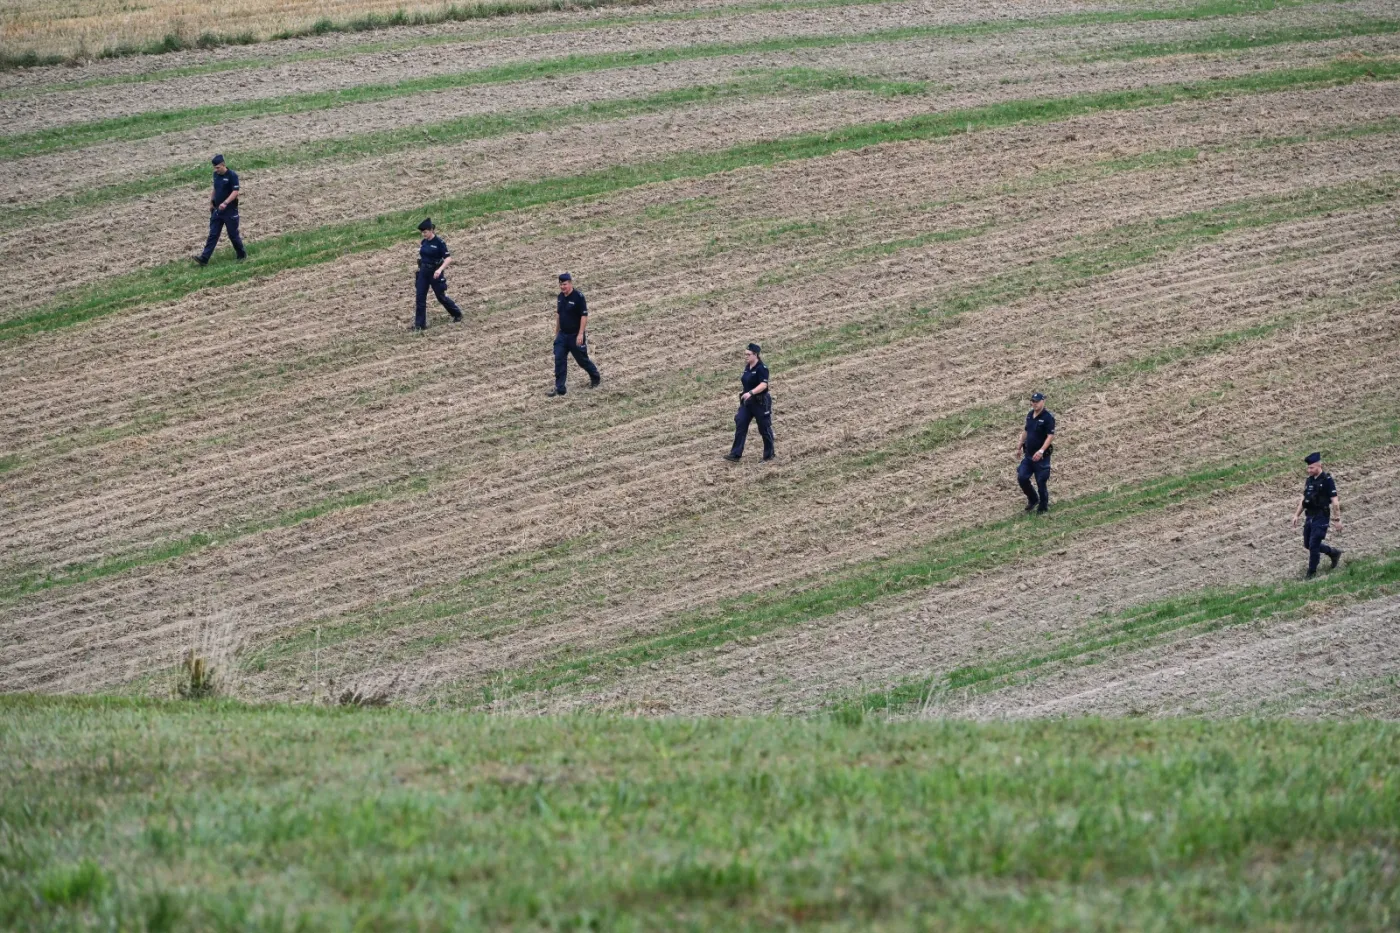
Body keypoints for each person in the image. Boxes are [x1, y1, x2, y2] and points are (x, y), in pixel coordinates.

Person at [548, 272, 600, 396]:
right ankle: (560, 388)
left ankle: (595, 377)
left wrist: (580, 334)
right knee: (559, 359)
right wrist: (556, 334)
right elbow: (559, 316)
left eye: (564, 284)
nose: (562, 287)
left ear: (570, 283)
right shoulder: (560, 297)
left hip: (575, 335)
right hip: (563, 335)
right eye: (560, 285)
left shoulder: (578, 297)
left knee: (582, 360)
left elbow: (584, 315)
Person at [1292, 452, 1342, 578]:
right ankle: (1333, 553)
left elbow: (1335, 502)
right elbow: (1304, 499)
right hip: (1309, 516)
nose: (1308, 470)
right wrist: (1296, 515)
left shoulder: (1327, 480)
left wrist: (1337, 519)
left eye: (1311, 467)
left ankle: (1311, 573)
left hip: (1321, 516)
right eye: (1308, 468)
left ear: (1319, 466)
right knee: (1307, 544)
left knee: (1314, 544)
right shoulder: (1309, 480)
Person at [724, 343, 775, 462]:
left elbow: (763, 385)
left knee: (764, 428)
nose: (746, 356)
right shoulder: (748, 367)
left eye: (748, 354)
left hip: (760, 402)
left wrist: (751, 393)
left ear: (755, 355)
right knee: (740, 422)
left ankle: (769, 455)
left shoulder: (762, 368)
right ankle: (735, 454)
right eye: (745, 354)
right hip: (747, 403)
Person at [194, 154, 246, 265]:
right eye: (215, 168)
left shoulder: (232, 175)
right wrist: (211, 202)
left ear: (223, 165)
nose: (216, 170)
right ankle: (204, 258)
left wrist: (225, 203)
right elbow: (215, 188)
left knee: (233, 235)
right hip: (218, 210)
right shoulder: (216, 175)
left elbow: (235, 191)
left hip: (230, 210)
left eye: (217, 167)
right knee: (213, 234)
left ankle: (241, 255)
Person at [412, 218, 462, 331]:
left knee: (441, 297)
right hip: (423, 273)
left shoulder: (439, 243)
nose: (423, 234)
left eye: (425, 232)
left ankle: (457, 313)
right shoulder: (424, 242)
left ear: (431, 230)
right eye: (422, 232)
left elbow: (448, 259)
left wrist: (439, 270)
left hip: (435, 273)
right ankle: (420, 325)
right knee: (420, 298)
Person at [1017, 391, 1055, 513]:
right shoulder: (1029, 415)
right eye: (1033, 401)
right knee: (1022, 477)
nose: (1034, 404)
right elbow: (1026, 431)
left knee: (1041, 482)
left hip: (1041, 458)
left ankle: (1043, 507)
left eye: (1037, 401)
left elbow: (1050, 436)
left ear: (1043, 401)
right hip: (1028, 456)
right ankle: (1033, 499)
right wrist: (1019, 445)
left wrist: (1041, 451)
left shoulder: (1048, 418)